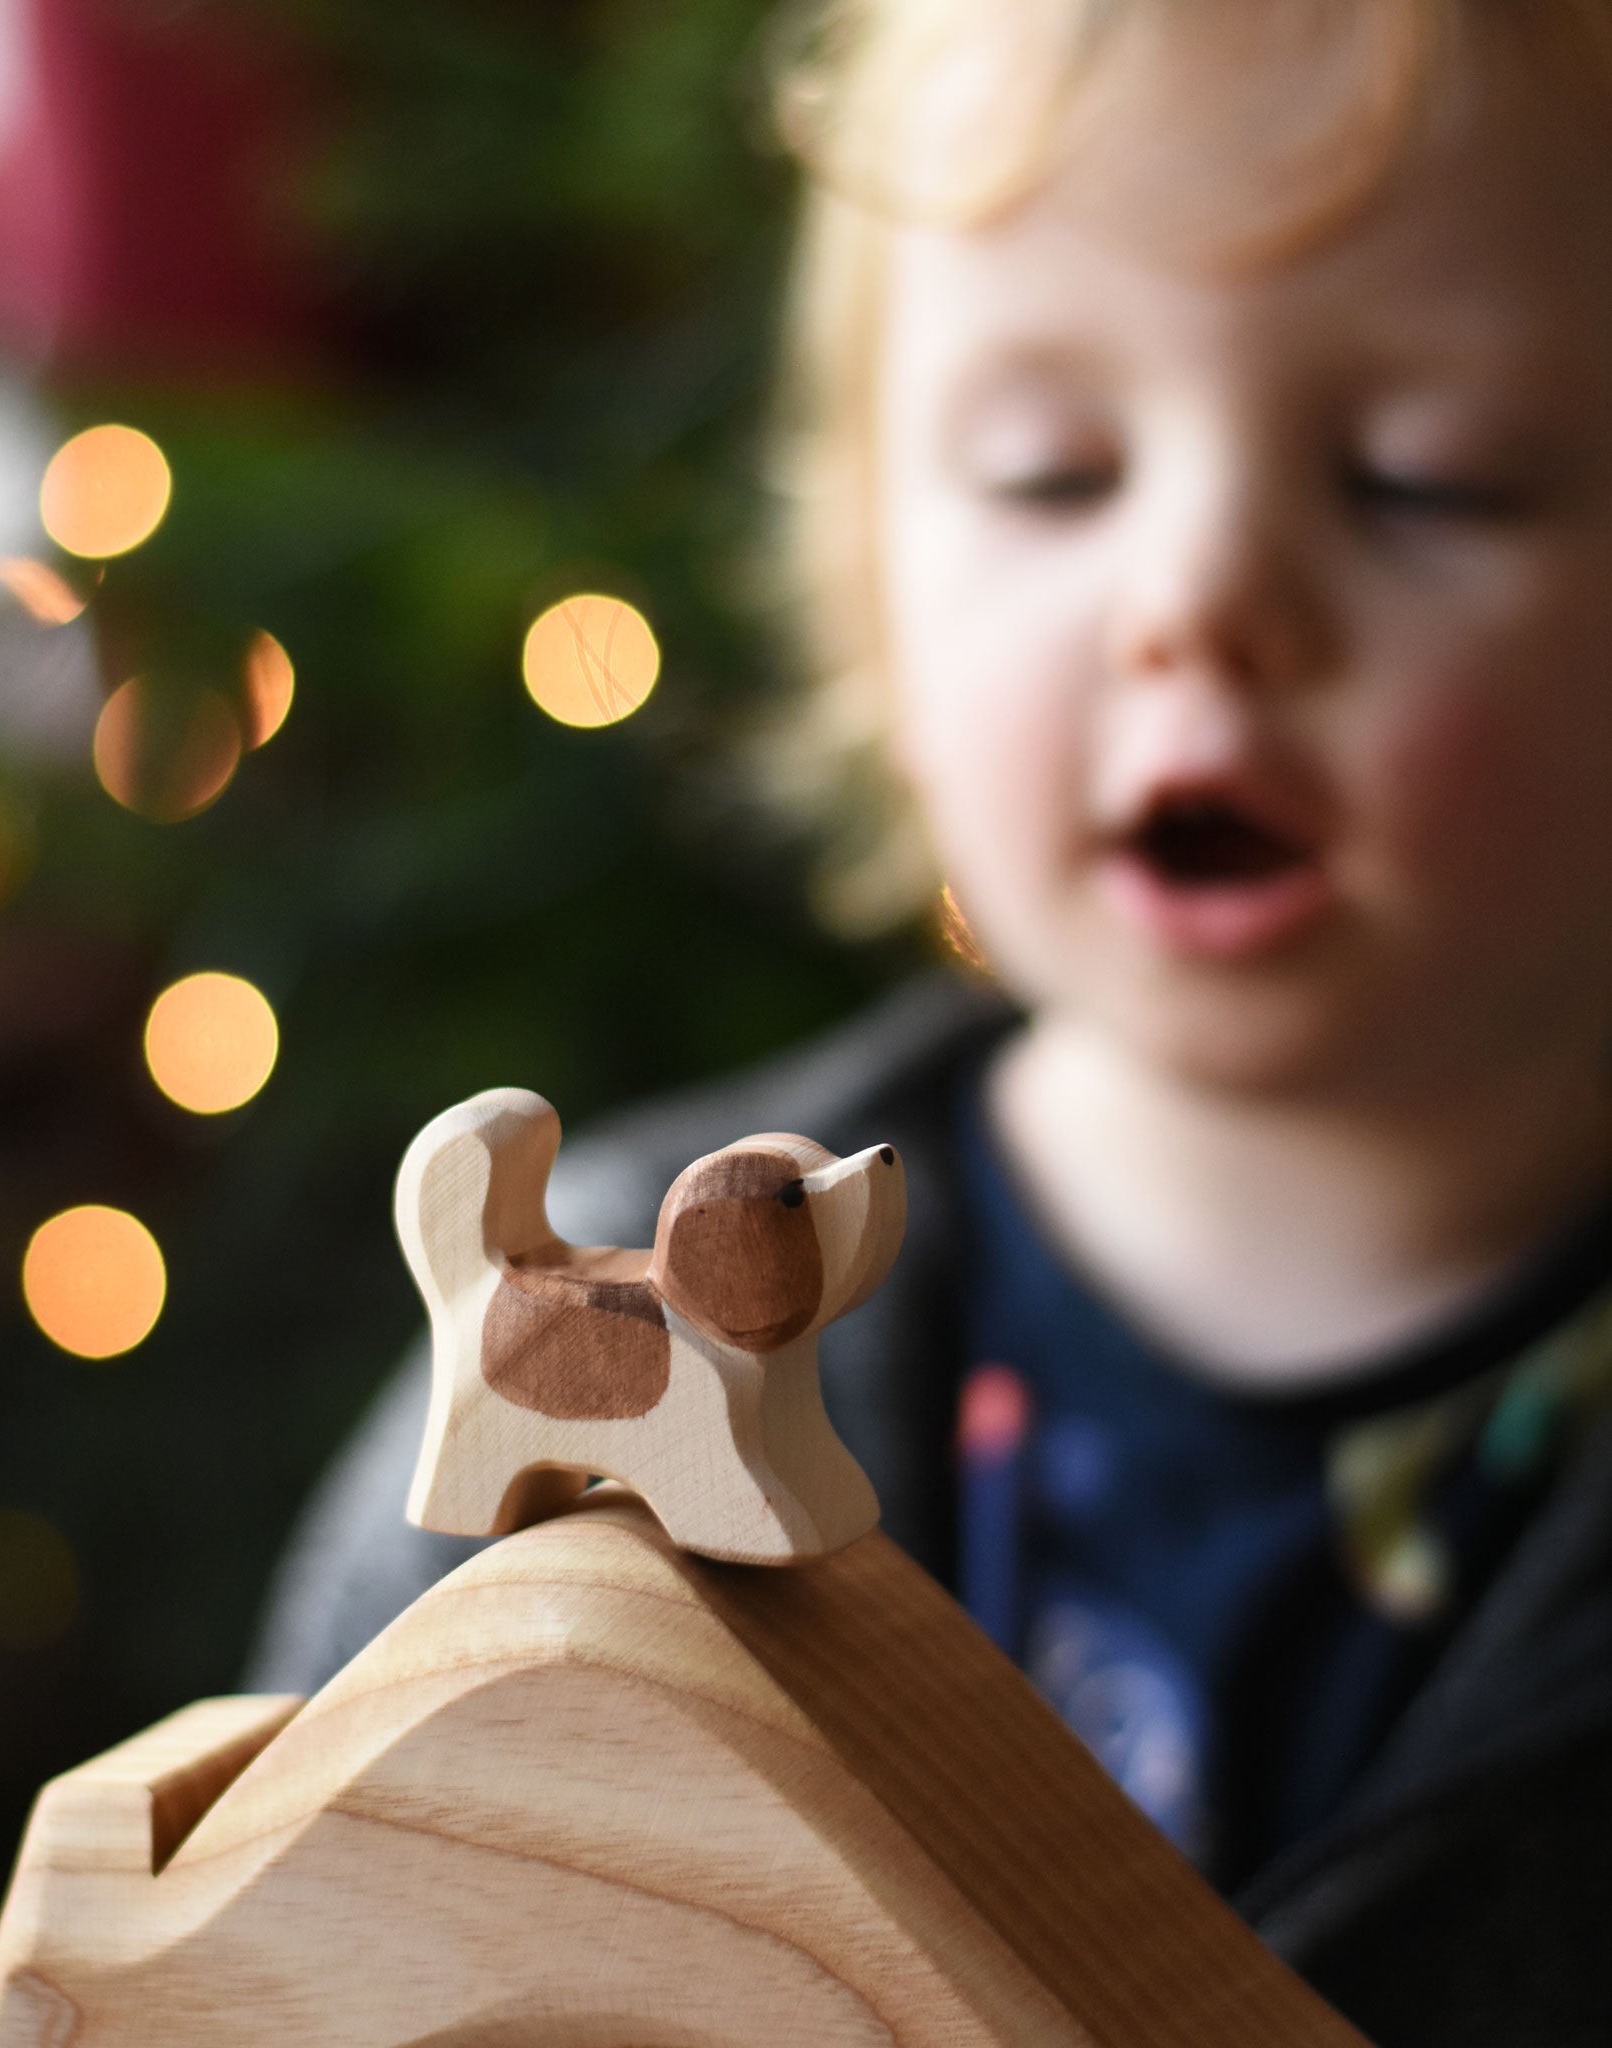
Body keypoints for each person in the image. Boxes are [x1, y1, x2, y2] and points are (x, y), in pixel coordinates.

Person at [251, 4, 1612, 2039]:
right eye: (1048, 474)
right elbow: (305, 1929)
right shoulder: (606, 1297)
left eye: (1430, 479)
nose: (1197, 592)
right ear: (874, 587)